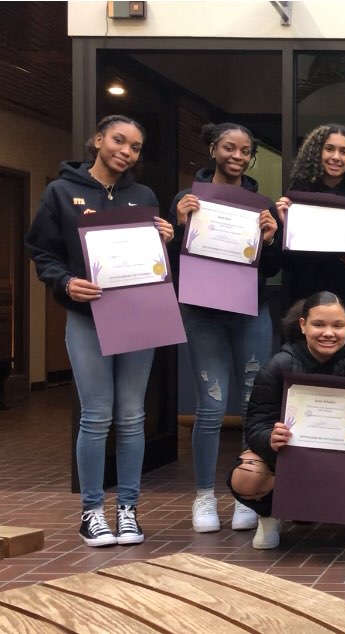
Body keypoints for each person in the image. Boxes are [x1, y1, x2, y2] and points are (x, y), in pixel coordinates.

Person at [26, 114, 173, 547]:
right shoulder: (61, 191)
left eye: (135, 147)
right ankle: (92, 511)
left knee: (132, 418)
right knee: (95, 418)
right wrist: (67, 283)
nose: (125, 151)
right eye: (118, 141)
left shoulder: (143, 195)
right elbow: (41, 251)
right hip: (87, 318)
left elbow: (153, 268)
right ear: (97, 140)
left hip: (137, 317)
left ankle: (127, 508)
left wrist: (165, 239)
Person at [167, 122, 280, 534]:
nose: (237, 155)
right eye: (229, 148)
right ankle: (203, 496)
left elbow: (271, 268)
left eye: (245, 150)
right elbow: (169, 263)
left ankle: (247, 492)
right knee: (211, 408)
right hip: (203, 312)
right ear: (213, 149)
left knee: (254, 405)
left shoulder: (260, 203)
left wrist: (270, 237)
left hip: (250, 311)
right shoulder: (188, 199)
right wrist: (178, 229)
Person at [228, 292, 345, 550]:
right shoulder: (280, 363)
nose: (328, 332)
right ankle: (270, 516)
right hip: (289, 456)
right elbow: (256, 424)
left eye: (337, 325)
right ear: (303, 325)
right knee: (247, 475)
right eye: (319, 324)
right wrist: (270, 438)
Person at [277, 124, 345, 352]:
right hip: (306, 307)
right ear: (318, 153)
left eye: (344, 152)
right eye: (329, 149)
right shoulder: (297, 196)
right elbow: (282, 261)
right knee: (307, 382)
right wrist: (284, 225)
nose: (336, 157)